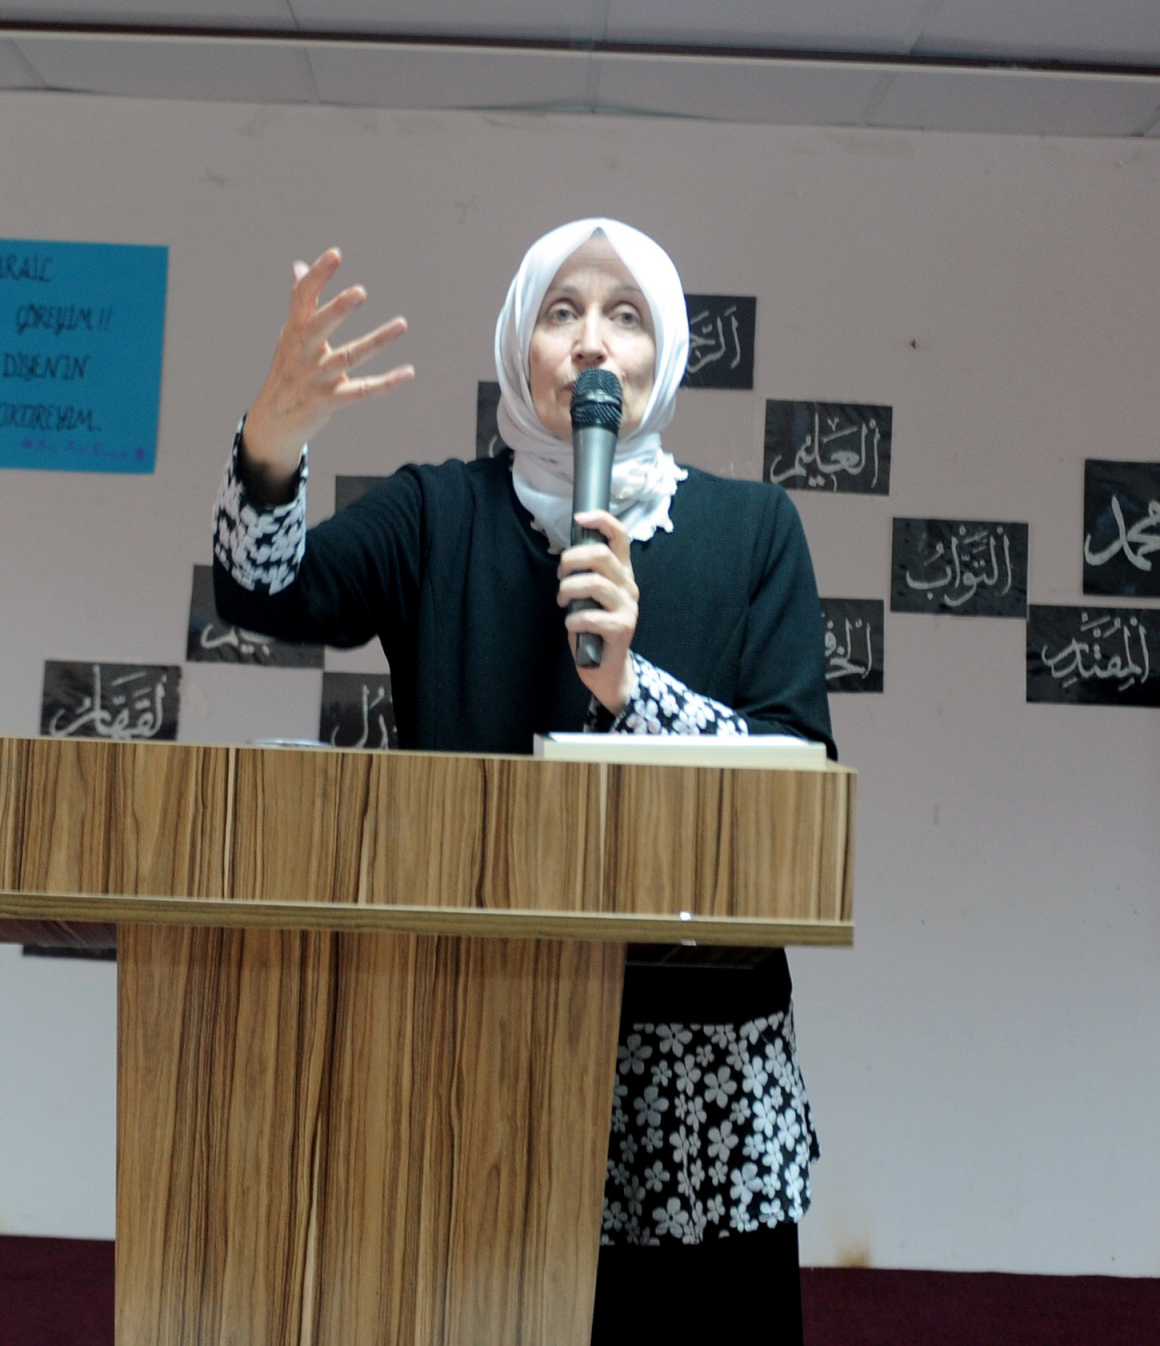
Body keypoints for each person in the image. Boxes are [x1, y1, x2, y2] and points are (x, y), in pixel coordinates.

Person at [211, 218, 833, 1344]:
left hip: (696, 1087)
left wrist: (630, 686)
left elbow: (800, 780)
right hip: (474, 1053)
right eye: (561, 312)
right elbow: (267, 592)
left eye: (625, 315)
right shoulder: (435, 513)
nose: (592, 342)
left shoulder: (753, 532)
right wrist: (273, 437)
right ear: (517, 346)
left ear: (665, 353)